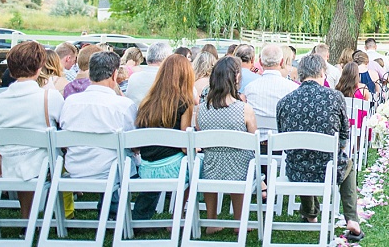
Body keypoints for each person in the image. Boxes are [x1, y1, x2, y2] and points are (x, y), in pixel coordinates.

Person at [275, 54, 361, 241]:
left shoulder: (284, 102)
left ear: (300, 74)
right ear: (322, 73)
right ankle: (352, 219)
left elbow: (283, 137)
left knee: (301, 159)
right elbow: (344, 136)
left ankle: (310, 213)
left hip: (297, 170)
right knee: (348, 165)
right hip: (328, 168)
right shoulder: (335, 97)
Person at [0, 42, 61, 220]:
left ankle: (26, 218)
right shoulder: (49, 97)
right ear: (39, 68)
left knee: (23, 154)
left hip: (9, 164)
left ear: (11, 70)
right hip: (43, 166)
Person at [127, 55, 194, 221]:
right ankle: (177, 214)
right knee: (196, 165)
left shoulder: (146, 103)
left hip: (146, 167)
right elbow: (185, 146)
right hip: (172, 168)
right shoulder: (185, 103)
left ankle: (140, 217)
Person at [196, 56, 257, 235]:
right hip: (240, 170)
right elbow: (253, 138)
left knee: (213, 161)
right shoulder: (244, 109)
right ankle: (239, 221)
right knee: (241, 160)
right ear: (236, 78)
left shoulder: (201, 109)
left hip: (211, 168)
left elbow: (200, 133)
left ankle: (211, 220)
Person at [60, 51, 137, 180]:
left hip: (75, 168)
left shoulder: (70, 102)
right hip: (112, 171)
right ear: (114, 75)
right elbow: (133, 143)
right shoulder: (123, 105)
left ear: (90, 74)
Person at [241, 44, 297, 123]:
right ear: (281, 62)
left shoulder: (249, 88)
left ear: (260, 62)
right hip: (282, 134)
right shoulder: (293, 89)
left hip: (256, 133)